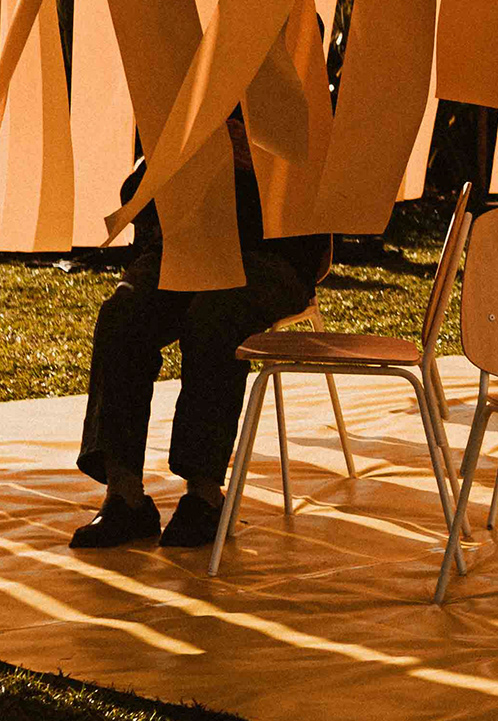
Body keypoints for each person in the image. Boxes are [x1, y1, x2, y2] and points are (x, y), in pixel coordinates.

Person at [71, 113, 332, 550]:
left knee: (214, 316)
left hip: (270, 254)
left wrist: (262, 162)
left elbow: (332, 190)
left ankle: (204, 493)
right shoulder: (184, 91)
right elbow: (137, 196)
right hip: (188, 245)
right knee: (124, 314)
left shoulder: (298, 91)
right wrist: (176, 157)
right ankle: (124, 494)